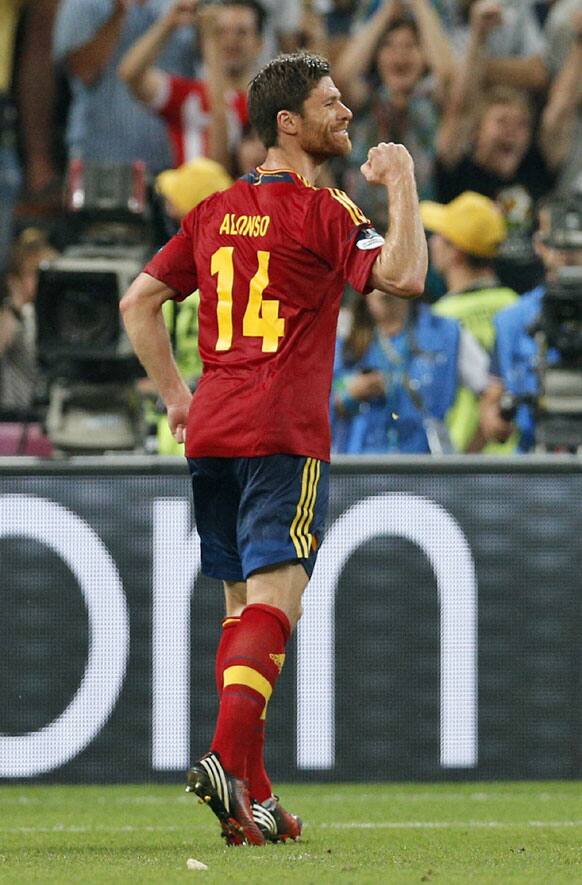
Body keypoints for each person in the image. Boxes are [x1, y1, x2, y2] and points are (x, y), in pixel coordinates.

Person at [120, 51, 427, 845]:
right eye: (331, 104)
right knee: (276, 607)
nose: (346, 114)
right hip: (281, 430)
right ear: (288, 123)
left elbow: (138, 301)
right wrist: (399, 182)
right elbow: (406, 274)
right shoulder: (322, 212)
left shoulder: (217, 211)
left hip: (215, 428)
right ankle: (225, 758)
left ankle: (253, 798)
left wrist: (177, 397)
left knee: (239, 612)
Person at [435, 0, 556, 293]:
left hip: (532, 305)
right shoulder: (459, 172)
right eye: (502, 122)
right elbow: (460, 109)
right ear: (477, 133)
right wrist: (478, 36)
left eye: (522, 125)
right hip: (472, 295)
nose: (513, 133)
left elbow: (560, 112)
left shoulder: (535, 168)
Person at [331, 287, 491, 454]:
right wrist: (345, 393)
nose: (384, 268)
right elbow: (309, 403)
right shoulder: (339, 331)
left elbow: (493, 393)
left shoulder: (446, 332)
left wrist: (467, 461)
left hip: (424, 472)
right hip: (356, 472)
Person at [421, 190, 518, 451]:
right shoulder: (517, 309)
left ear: (457, 253)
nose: (432, 242)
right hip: (519, 463)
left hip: (463, 464)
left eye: (440, 236)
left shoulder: (441, 318)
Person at [118, 0, 264, 172]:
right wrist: (168, 24)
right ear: (200, 42)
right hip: (185, 197)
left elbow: (219, 167)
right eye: (220, 32)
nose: (230, 40)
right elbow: (131, 74)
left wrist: (210, 40)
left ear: (259, 44)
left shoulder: (265, 105)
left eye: (242, 32)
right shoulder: (189, 94)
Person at [484, 196, 582, 451]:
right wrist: (499, 418)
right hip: (537, 462)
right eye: (557, 237)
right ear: (539, 244)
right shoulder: (512, 320)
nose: (567, 250)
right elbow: (492, 408)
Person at [53, 0, 196, 173]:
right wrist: (119, 12)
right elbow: (84, 70)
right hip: (103, 160)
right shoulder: (84, 3)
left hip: (175, 161)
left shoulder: (184, 3)